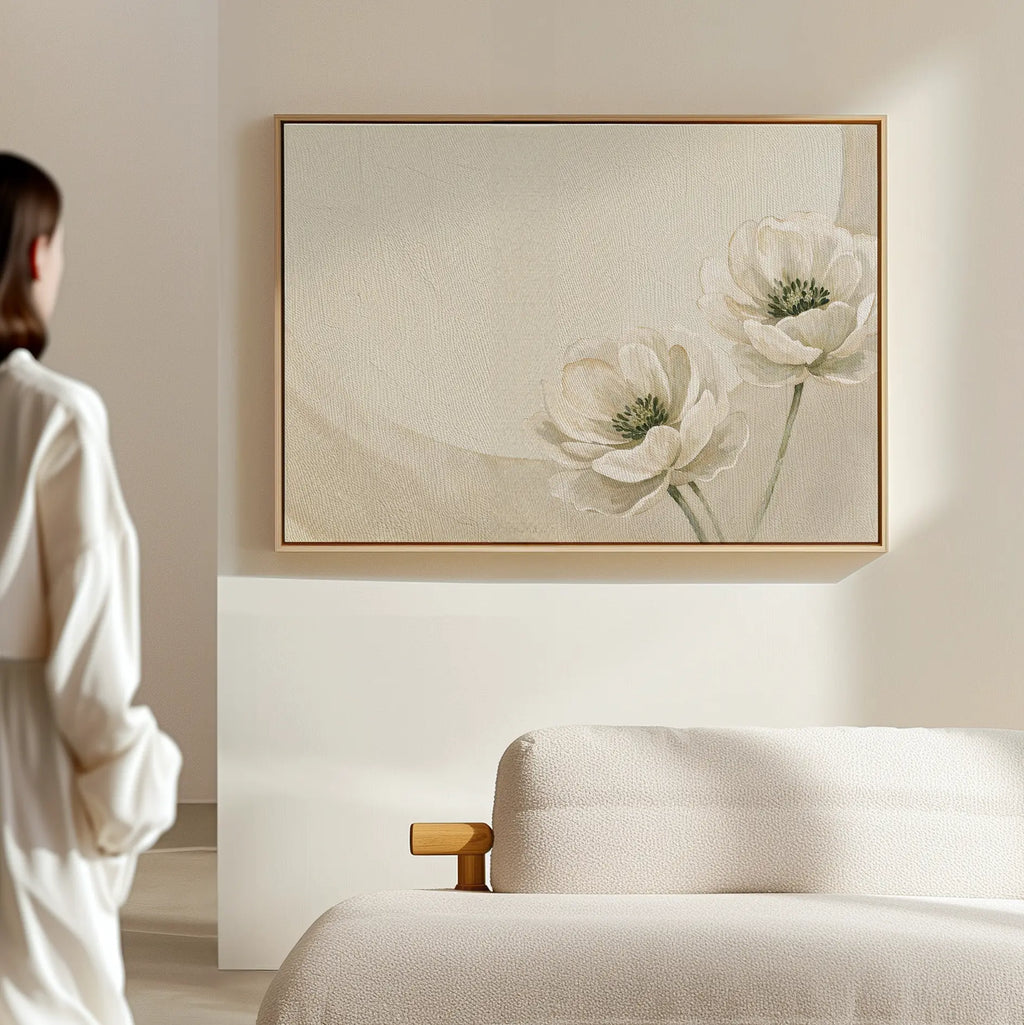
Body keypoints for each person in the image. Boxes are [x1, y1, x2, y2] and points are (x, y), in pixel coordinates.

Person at [0, 153, 182, 1024]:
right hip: (20, 766)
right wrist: (129, 791)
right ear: (36, 255)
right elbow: (88, 663)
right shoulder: (54, 415)